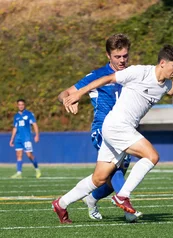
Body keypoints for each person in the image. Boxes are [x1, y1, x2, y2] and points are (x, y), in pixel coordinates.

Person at [52, 45, 173, 224]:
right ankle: (123, 196)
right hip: (117, 126)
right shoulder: (140, 72)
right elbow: (108, 78)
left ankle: (61, 203)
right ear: (162, 63)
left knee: (99, 178)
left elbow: (172, 89)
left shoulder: (165, 84)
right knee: (152, 156)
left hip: (119, 128)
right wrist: (79, 94)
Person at [57, 33, 141, 222]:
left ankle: (91, 198)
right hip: (102, 130)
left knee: (108, 180)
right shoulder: (97, 76)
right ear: (108, 56)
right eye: (117, 56)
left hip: (126, 131)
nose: (122, 60)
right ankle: (128, 210)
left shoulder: (132, 74)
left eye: (125, 56)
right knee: (116, 171)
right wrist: (67, 100)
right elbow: (64, 93)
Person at [9, 99, 41, 179]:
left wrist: (37, 135)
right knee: (18, 155)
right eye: (19, 104)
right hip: (18, 139)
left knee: (29, 155)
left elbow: (34, 125)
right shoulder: (16, 116)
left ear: (24, 105)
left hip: (26, 138)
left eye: (22, 104)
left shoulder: (29, 114)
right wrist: (12, 139)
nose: (21, 106)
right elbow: (15, 128)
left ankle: (37, 169)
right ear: (17, 105)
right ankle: (19, 173)